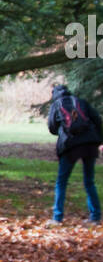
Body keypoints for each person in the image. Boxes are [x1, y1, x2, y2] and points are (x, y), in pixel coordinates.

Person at [45, 83, 102, 226]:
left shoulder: (56, 105)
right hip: (90, 143)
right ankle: (95, 217)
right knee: (89, 181)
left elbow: (52, 128)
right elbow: (97, 119)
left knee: (61, 182)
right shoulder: (81, 102)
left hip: (70, 146)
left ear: (54, 95)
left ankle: (57, 218)